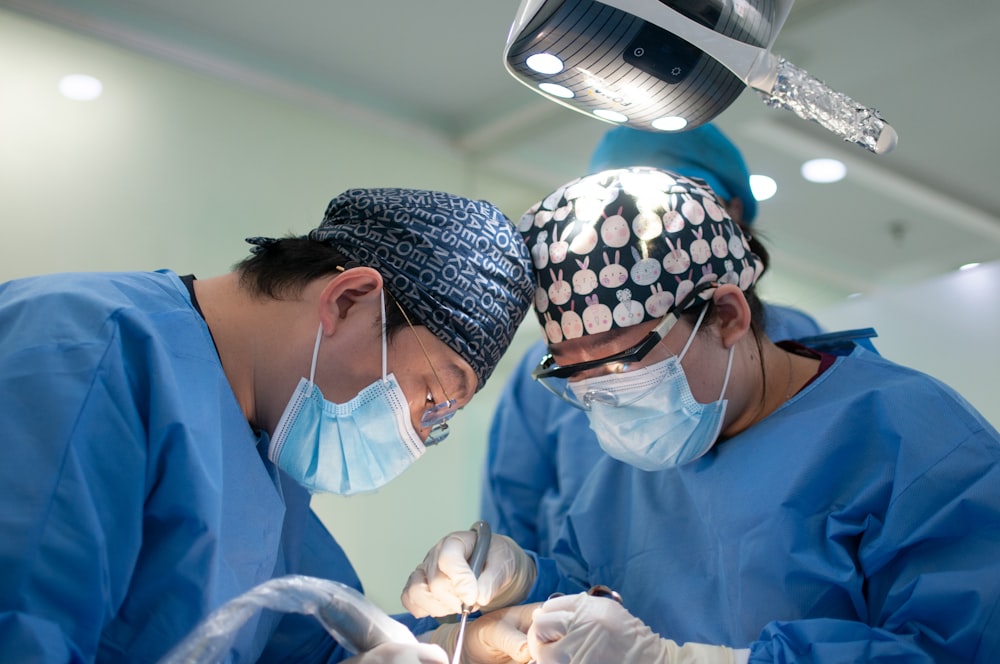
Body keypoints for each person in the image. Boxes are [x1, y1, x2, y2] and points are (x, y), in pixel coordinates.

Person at [402, 168, 1000, 663]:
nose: (603, 400)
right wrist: (525, 584)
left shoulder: (909, 438)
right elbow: (599, 605)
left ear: (728, 317)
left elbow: (959, 647)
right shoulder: (628, 472)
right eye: (572, 374)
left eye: (623, 365)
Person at [0, 187, 535, 663]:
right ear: (347, 300)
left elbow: (322, 641)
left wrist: (462, 647)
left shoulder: (268, 465)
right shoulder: (83, 348)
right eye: (435, 397)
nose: (419, 435)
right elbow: (24, 628)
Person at [482, 124, 824, 557]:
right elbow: (518, 517)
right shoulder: (558, 372)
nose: (647, 232)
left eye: (677, 204)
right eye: (623, 213)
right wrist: (509, 585)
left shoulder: (806, 359)